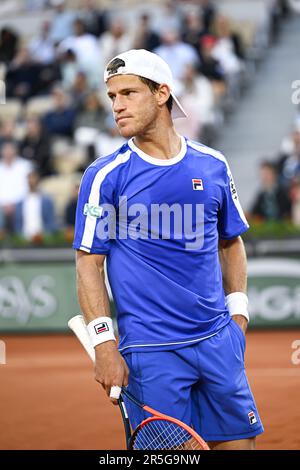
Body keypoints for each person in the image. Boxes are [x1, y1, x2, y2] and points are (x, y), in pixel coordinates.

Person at [73, 49, 264, 450]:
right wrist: (105, 344)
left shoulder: (213, 164)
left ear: (161, 94)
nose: (117, 106)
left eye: (128, 93)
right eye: (112, 97)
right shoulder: (104, 175)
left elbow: (231, 242)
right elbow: (89, 263)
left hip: (218, 342)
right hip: (150, 351)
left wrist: (239, 318)